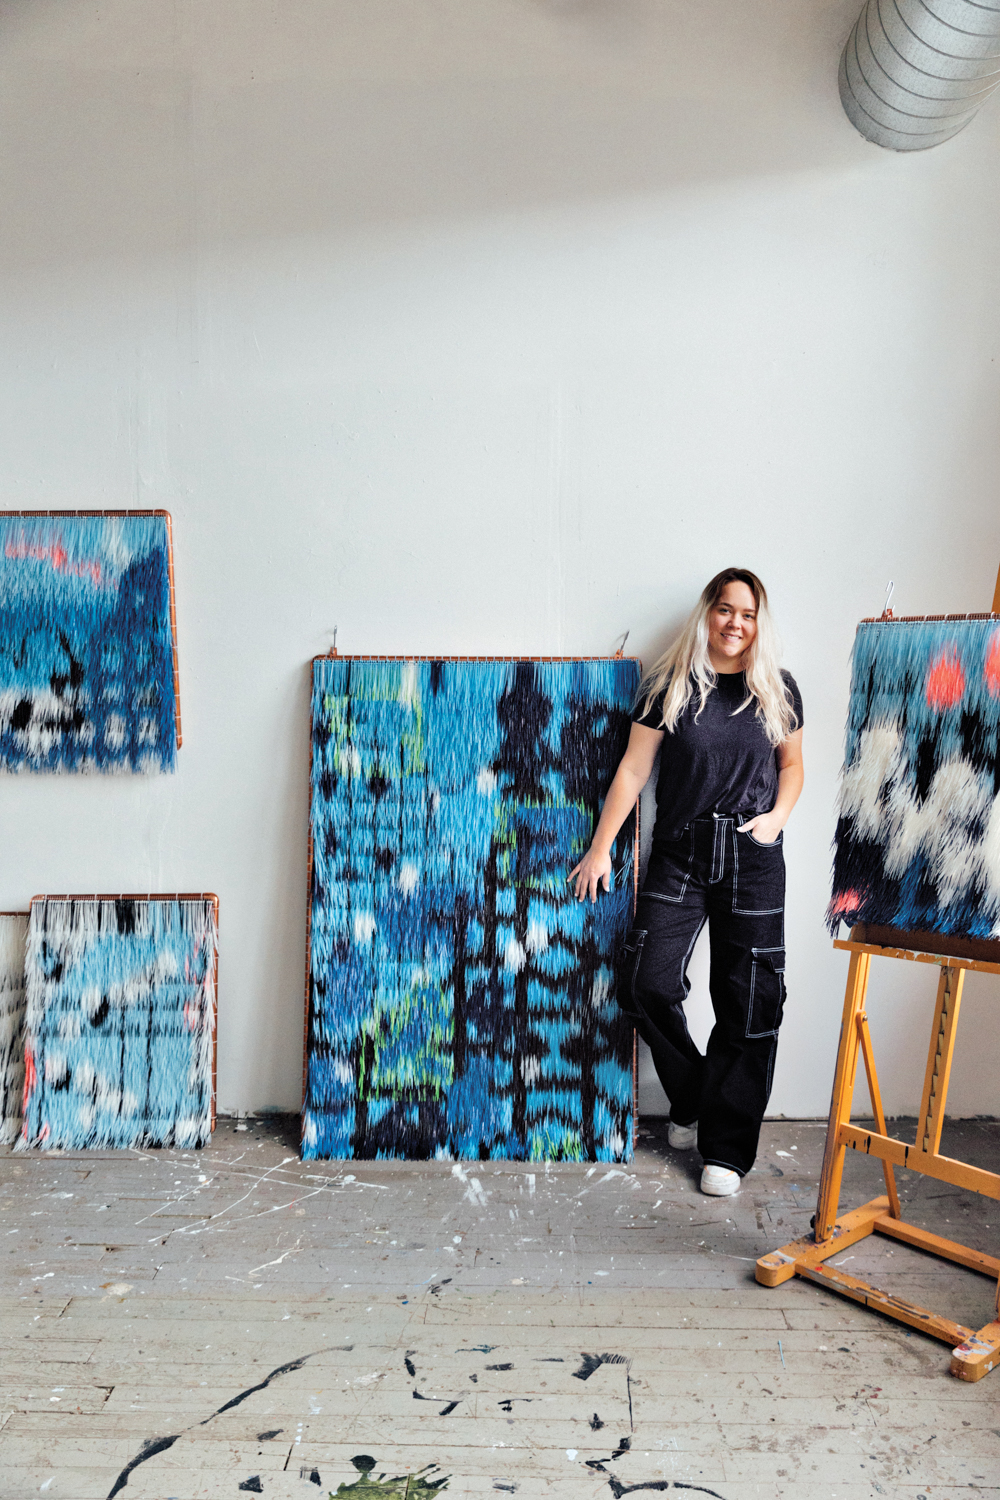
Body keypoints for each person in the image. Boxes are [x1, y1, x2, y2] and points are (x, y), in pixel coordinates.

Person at [570, 568, 804, 1196]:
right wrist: (600, 850)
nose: (735, 623)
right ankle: (697, 1097)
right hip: (681, 853)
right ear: (707, 614)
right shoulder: (668, 687)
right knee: (647, 980)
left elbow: (793, 769)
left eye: (748, 614)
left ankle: (725, 1151)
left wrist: (773, 823)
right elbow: (632, 769)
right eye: (725, 609)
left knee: (749, 1002)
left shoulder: (778, 690)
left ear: (759, 624)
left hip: (753, 856)